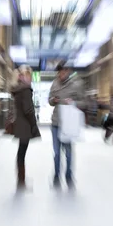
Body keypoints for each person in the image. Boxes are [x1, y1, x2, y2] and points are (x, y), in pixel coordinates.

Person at [49, 60, 84, 188]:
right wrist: (53, 100)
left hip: (68, 124)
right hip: (56, 123)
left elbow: (83, 102)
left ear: (68, 71)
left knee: (68, 153)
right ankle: (56, 175)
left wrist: (73, 102)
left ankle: (69, 175)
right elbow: (50, 100)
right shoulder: (54, 83)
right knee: (57, 152)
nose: (61, 74)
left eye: (64, 71)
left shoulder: (75, 85)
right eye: (59, 71)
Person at [10, 65, 41, 190]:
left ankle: (21, 179)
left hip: (20, 126)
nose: (30, 78)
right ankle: (21, 181)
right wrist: (33, 124)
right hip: (25, 126)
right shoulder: (26, 89)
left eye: (30, 75)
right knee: (22, 153)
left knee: (20, 153)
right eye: (27, 75)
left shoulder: (18, 89)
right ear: (21, 77)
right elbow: (28, 110)